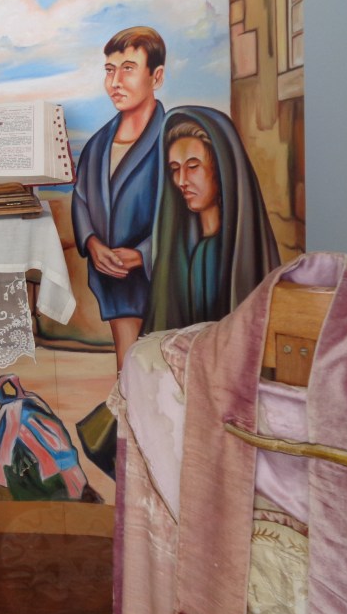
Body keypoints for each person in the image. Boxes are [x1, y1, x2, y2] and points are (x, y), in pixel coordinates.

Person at [72, 26, 166, 372]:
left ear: (156, 76)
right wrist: (92, 243)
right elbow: (81, 199)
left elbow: (186, 214)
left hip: (161, 278)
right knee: (127, 365)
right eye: (110, 70)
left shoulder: (172, 138)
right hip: (112, 278)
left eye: (128, 69)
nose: (115, 82)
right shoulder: (97, 144)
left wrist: (143, 254)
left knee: (161, 368)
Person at [144, 106, 280, 331]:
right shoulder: (178, 254)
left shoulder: (240, 252)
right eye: (175, 169)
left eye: (193, 166)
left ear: (221, 167)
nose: (182, 181)